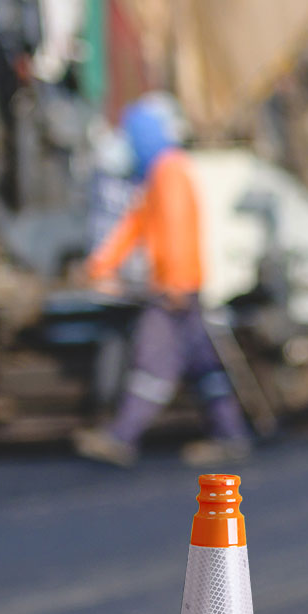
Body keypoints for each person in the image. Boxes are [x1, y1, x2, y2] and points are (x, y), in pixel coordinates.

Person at [72, 97, 252, 468]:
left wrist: (175, 284)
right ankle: (230, 435)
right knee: (205, 368)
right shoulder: (160, 173)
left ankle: (122, 437)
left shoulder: (169, 173)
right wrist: (98, 266)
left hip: (174, 291)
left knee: (153, 363)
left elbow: (176, 231)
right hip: (181, 289)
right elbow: (134, 226)